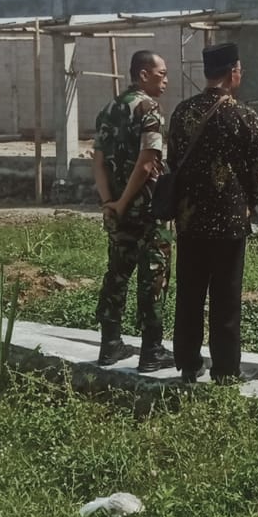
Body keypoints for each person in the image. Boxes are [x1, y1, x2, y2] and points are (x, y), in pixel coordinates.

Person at [168, 42, 258, 385]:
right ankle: (226, 369)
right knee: (226, 296)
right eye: (239, 69)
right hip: (229, 221)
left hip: (189, 219)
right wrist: (248, 202)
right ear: (232, 72)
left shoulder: (182, 112)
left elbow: (173, 161)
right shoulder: (244, 116)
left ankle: (188, 364)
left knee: (190, 292)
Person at [90, 50, 174, 371]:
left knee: (117, 272)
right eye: (161, 74)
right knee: (154, 276)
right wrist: (125, 201)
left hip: (117, 209)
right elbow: (148, 162)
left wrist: (109, 203)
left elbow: (98, 161)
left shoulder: (109, 109)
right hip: (149, 210)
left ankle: (110, 344)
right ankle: (151, 350)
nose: (165, 80)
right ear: (143, 75)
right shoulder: (149, 109)